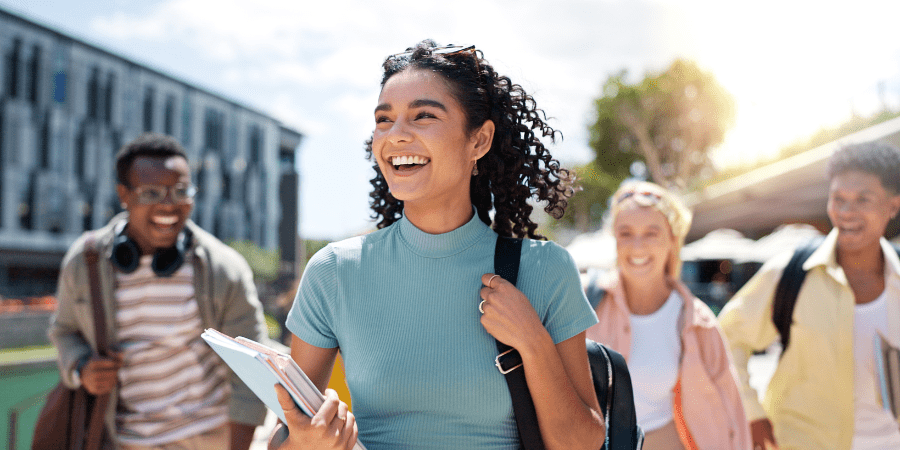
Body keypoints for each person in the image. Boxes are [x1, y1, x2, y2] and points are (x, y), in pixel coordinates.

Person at [271, 40, 605, 450]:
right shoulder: (334, 272)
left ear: (479, 141)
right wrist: (306, 444)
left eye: (423, 115)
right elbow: (284, 436)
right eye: (384, 120)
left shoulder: (545, 269)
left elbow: (582, 444)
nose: (395, 136)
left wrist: (533, 343)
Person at [48, 133, 269, 450]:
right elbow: (64, 331)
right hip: (121, 440)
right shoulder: (85, 261)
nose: (169, 205)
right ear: (124, 195)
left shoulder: (225, 268)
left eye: (181, 191)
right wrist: (81, 368)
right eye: (151, 193)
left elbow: (252, 370)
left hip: (208, 440)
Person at [718, 140, 900, 450]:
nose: (845, 212)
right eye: (837, 199)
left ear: (893, 206)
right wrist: (752, 412)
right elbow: (724, 337)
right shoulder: (791, 273)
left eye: (863, 199)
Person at [584, 181, 751, 450]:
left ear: (672, 241)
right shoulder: (583, 303)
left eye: (652, 233)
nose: (638, 246)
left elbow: (731, 411)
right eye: (626, 233)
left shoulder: (697, 321)